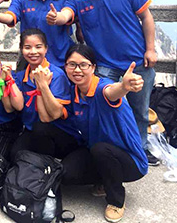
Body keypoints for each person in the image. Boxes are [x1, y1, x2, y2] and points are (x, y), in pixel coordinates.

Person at [47, 0, 158, 164]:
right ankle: (108, 151)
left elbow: (146, 17)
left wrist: (151, 48)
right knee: (103, 110)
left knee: (139, 110)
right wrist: (57, 18)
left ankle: (140, 148)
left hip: (138, 61)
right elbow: (66, 15)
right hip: (104, 65)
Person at [61, 44, 147, 223]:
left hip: (130, 161)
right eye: (72, 65)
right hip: (99, 153)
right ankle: (103, 180)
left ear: (93, 67)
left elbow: (112, 92)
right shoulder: (75, 92)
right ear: (65, 67)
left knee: (101, 150)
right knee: (67, 173)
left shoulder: (102, 88)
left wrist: (124, 86)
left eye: (83, 65)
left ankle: (116, 200)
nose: (77, 70)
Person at [10, 29, 80, 161]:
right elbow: (15, 107)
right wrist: (7, 80)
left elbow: (53, 115)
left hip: (60, 132)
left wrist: (42, 86)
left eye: (38, 47)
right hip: (32, 131)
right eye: (27, 47)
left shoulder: (57, 75)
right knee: (15, 155)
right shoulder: (20, 77)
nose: (33, 52)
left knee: (41, 129)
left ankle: (47, 166)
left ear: (46, 49)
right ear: (21, 49)